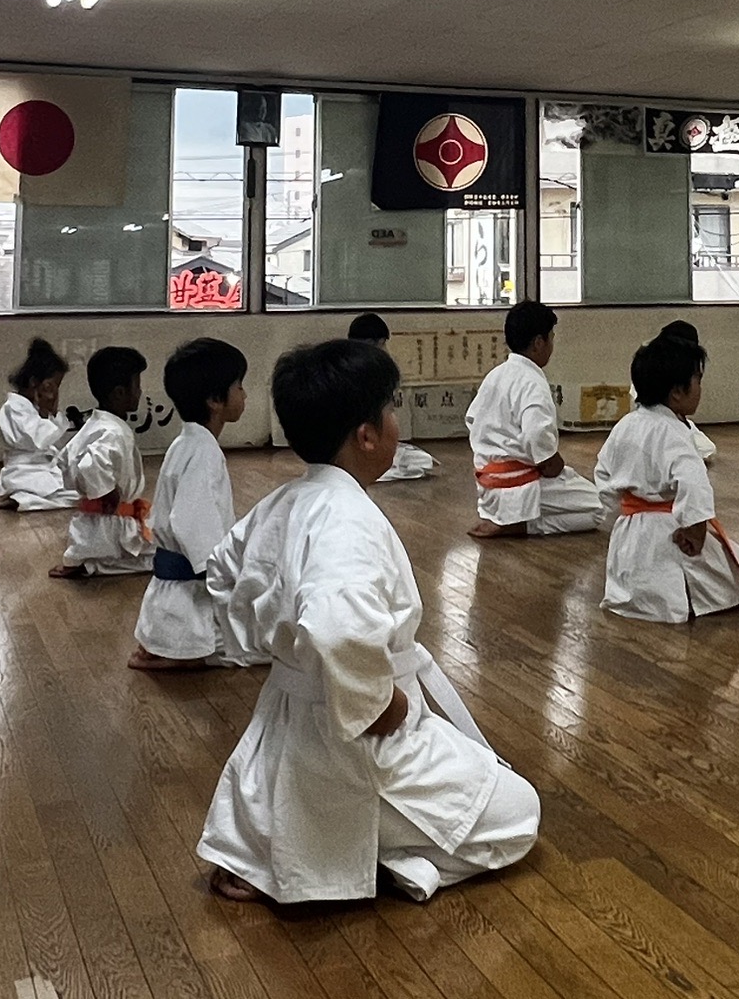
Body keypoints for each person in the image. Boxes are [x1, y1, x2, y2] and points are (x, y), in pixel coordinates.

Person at [197, 338, 540, 905]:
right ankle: (361, 858)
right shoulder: (345, 519)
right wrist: (375, 703)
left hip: (297, 710)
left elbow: (223, 571)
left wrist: (275, 648)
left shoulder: (286, 501)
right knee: (520, 814)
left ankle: (328, 847)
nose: (396, 422)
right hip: (359, 730)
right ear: (366, 435)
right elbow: (338, 628)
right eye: (391, 409)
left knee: (476, 770)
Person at [592, 334, 739, 623]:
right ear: (677, 391)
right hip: (671, 531)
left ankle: (640, 596)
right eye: (698, 380)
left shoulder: (625, 425)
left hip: (628, 535)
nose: (700, 388)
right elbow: (694, 483)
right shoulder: (673, 432)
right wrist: (696, 530)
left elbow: (603, 475)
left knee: (637, 582)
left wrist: (621, 516)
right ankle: (681, 598)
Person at [132, 338, 264, 671]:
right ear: (215, 400)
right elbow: (191, 525)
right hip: (192, 603)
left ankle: (169, 645)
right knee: (269, 644)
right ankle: (181, 652)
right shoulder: (203, 452)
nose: (244, 394)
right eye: (239, 386)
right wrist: (230, 578)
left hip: (176, 599)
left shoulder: (186, 443)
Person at [465, 300, 599, 537]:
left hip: (489, 485)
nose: (552, 346)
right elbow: (536, 435)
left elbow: (472, 419)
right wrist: (550, 461)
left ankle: (510, 520)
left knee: (573, 484)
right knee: (597, 507)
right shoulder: (532, 382)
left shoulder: (496, 375)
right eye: (551, 338)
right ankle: (524, 525)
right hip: (519, 484)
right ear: (539, 343)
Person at [50, 347, 154, 578]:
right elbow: (90, 466)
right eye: (137, 386)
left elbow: (66, 458)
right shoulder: (113, 432)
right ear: (119, 393)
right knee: (166, 555)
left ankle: (84, 560)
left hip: (96, 526)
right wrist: (107, 493)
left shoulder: (96, 424)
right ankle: (90, 564)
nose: (140, 392)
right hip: (112, 528)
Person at [351, 312, 438, 482]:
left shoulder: (376, 366)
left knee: (421, 460)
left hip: (362, 440)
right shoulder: (367, 368)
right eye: (382, 343)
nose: (384, 348)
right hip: (362, 440)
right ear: (376, 343)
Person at [0, 337, 76, 511]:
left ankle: (24, 499)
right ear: (33, 382)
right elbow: (37, 440)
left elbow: (55, 439)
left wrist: (51, 412)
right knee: (73, 498)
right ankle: (21, 499)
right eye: (51, 386)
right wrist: (46, 413)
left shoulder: (33, 407)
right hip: (24, 472)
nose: (54, 392)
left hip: (41, 469)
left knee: (79, 490)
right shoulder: (13, 408)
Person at [657, 318, 719, 464]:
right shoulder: (659, 363)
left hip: (667, 420)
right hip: (662, 421)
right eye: (698, 380)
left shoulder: (625, 429)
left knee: (707, 449)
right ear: (677, 391)